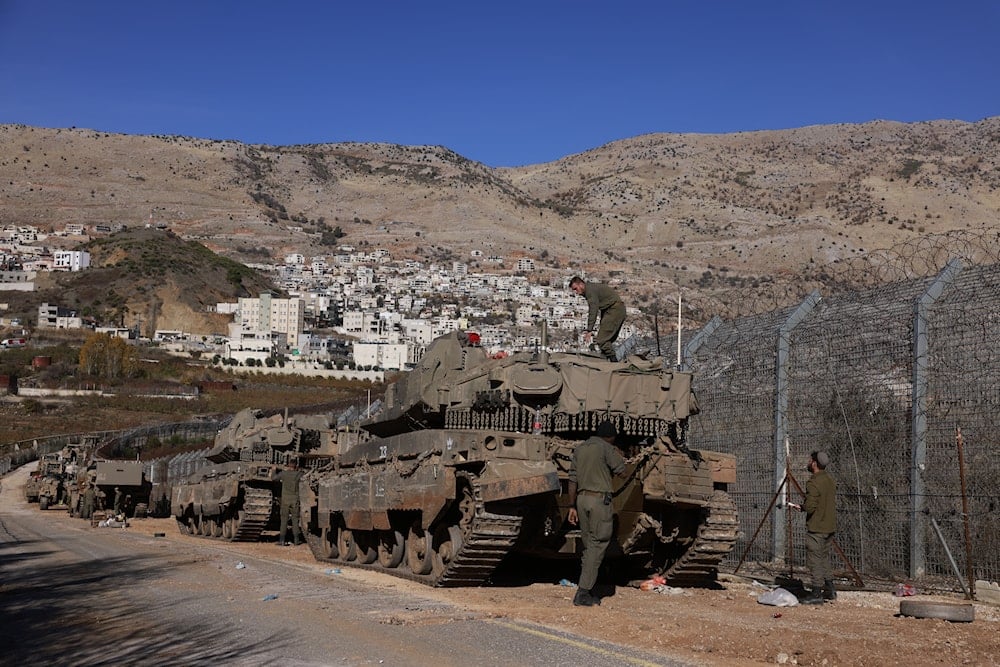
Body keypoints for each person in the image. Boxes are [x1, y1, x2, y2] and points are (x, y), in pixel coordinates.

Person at [567, 420, 628, 606]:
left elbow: (572, 479)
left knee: (589, 545)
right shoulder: (606, 448)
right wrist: (618, 453)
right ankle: (583, 592)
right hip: (599, 501)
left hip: (581, 499)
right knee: (598, 543)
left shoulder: (580, 448)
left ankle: (589, 586)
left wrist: (571, 506)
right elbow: (623, 472)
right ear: (611, 437)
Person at [790, 451, 837, 604]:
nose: (809, 462)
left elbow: (810, 507)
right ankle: (830, 589)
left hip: (817, 527)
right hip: (829, 526)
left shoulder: (813, 482)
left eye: (810, 460)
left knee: (815, 560)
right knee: (824, 558)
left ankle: (816, 592)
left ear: (815, 463)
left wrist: (801, 507)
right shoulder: (829, 480)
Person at [569, 276, 626, 361]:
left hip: (614, 310)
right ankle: (606, 360)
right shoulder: (591, 288)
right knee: (606, 340)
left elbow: (593, 309)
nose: (576, 292)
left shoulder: (590, 291)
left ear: (581, 284)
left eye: (576, 289)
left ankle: (614, 363)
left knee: (602, 340)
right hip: (611, 310)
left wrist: (589, 330)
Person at [278, 459, 303, 546]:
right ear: (296, 466)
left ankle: (282, 540)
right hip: (294, 500)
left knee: (284, 520)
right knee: (295, 520)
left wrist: (273, 470)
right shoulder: (298, 474)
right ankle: (296, 540)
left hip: (285, 500)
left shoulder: (284, 474)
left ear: (288, 465)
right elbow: (303, 476)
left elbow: (274, 478)